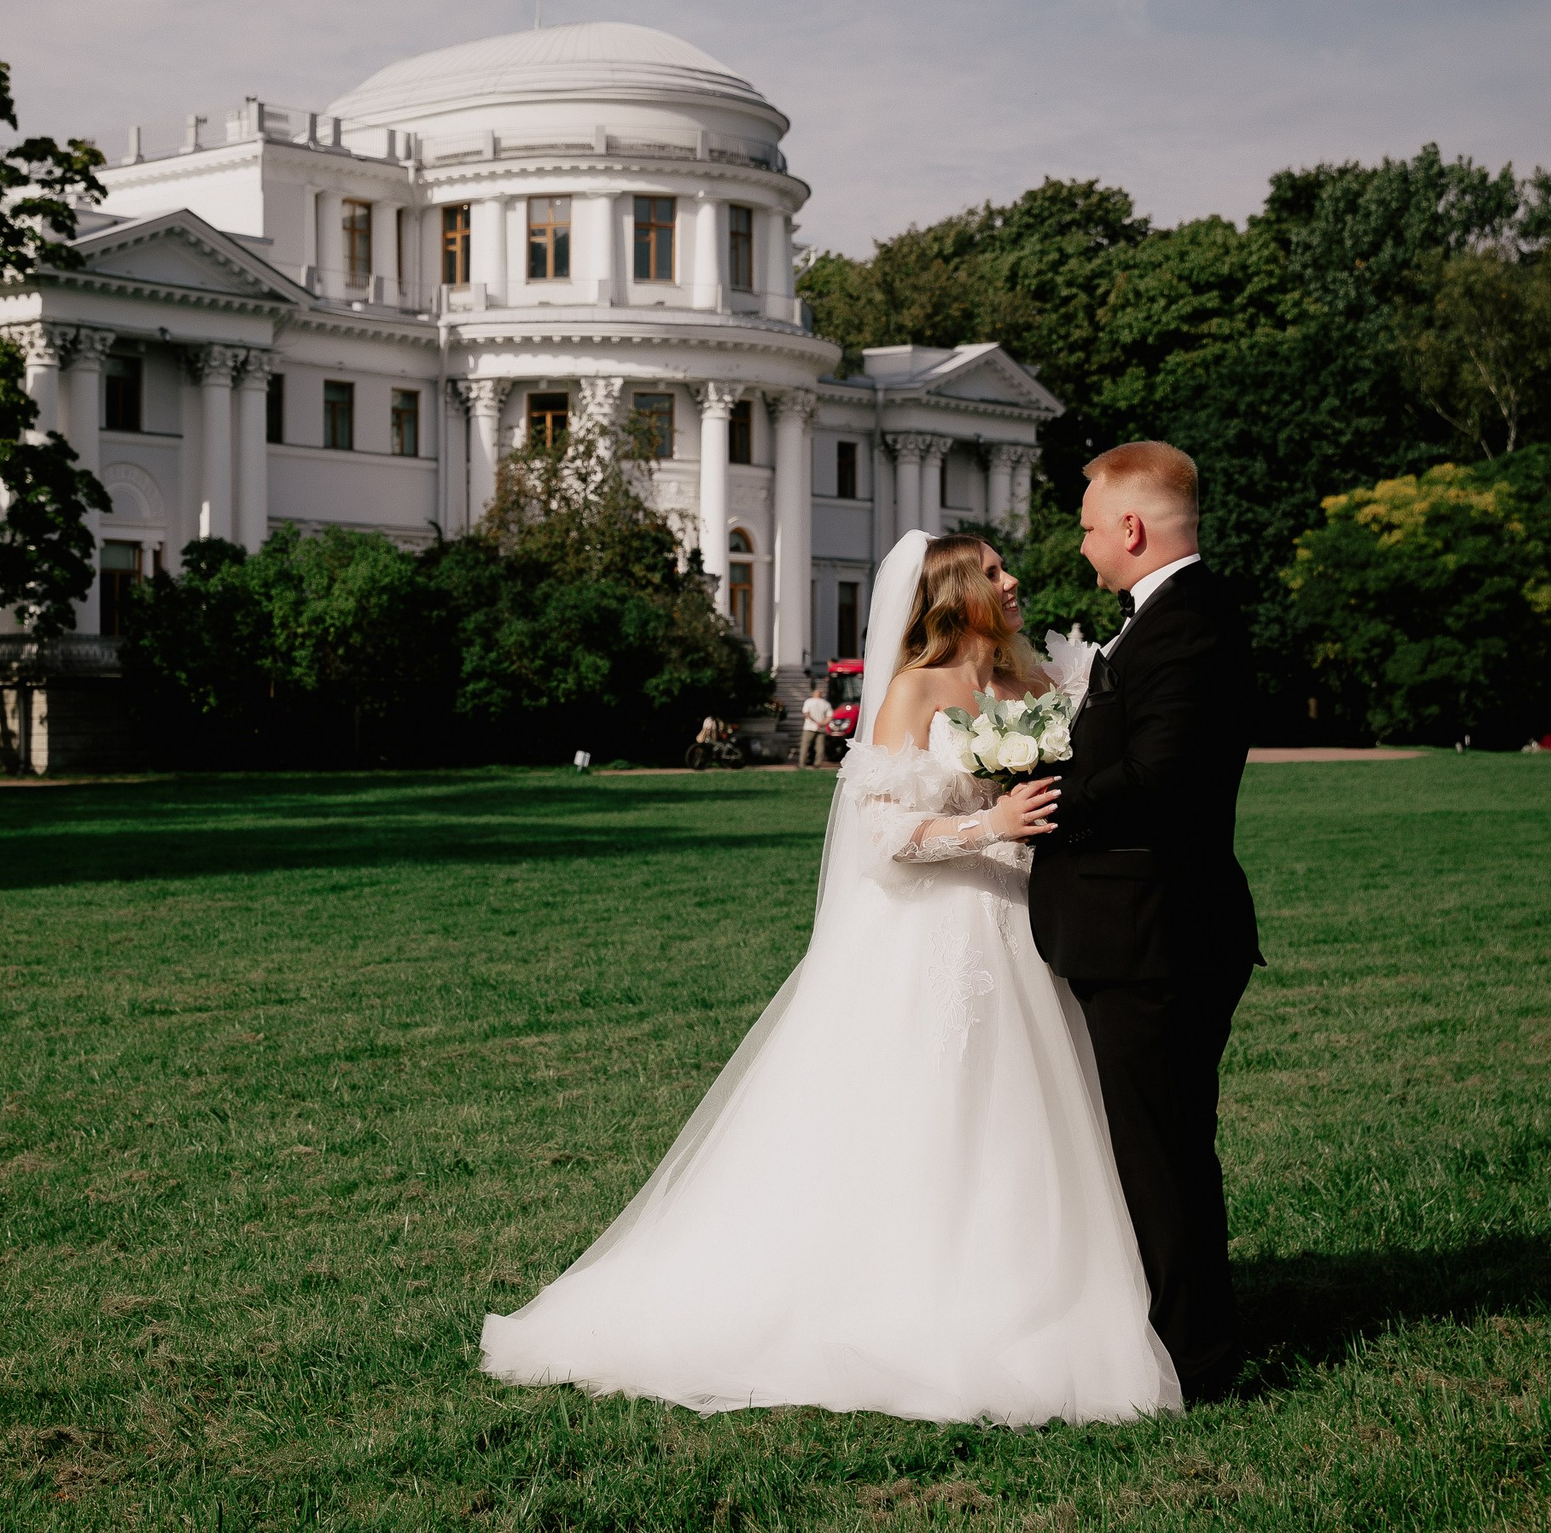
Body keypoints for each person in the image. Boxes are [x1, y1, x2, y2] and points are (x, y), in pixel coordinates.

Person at [480, 531, 1179, 1425]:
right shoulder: (914, 691)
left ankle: (1036, 1284)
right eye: (996, 573)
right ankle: (904, 1294)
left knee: (1029, 1110)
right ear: (956, 592)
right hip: (940, 927)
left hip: (1024, 924)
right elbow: (885, 828)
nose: (1014, 582)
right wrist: (990, 822)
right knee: (933, 1108)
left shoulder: (1034, 680)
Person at [1028, 440, 1262, 1405]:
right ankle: (1186, 1331)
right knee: (1160, 1144)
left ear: (1132, 527)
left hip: (1156, 934)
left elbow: (1164, 779)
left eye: (1088, 527)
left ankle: (1197, 1359)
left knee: (1159, 1154)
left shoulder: (1189, 626)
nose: (1082, 547)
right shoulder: (1163, 620)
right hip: (1148, 928)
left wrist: (1047, 800)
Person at [797, 681, 832, 767]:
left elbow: (806, 714)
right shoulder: (826, 703)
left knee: (805, 746)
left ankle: (802, 763)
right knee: (820, 747)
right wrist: (822, 722)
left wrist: (815, 721)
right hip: (821, 727)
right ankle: (817, 763)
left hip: (809, 727)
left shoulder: (809, 701)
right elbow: (830, 716)